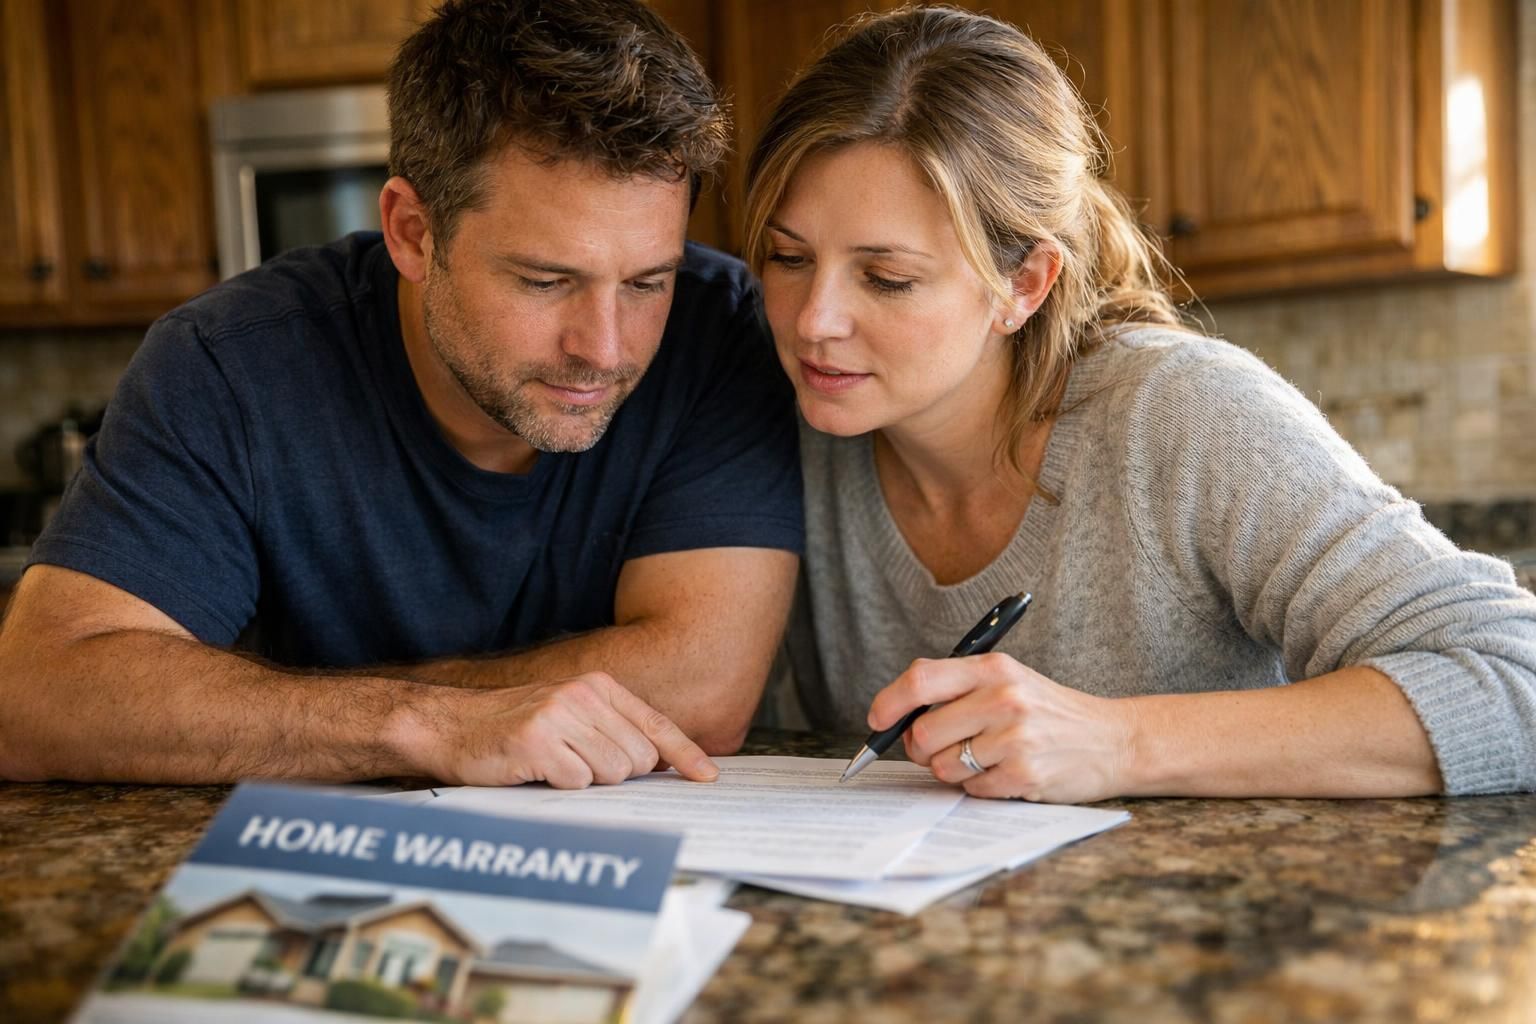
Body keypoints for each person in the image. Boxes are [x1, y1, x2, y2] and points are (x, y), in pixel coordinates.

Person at [0, 0, 802, 788]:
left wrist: (284, 713)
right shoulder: (227, 364)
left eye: (646, 282)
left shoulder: (716, 332)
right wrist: (427, 723)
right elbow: (35, 696)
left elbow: (704, 691)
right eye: (544, 280)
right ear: (412, 233)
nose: (606, 349)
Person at [744, 5, 1536, 803]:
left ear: (1024, 284)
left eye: (887, 278)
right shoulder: (779, 427)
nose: (813, 321)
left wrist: (1118, 742)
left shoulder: (1180, 411)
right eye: (788, 258)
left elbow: (1513, 677)